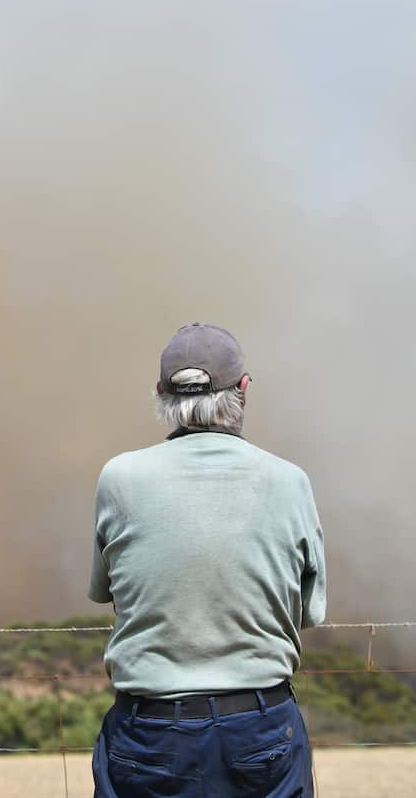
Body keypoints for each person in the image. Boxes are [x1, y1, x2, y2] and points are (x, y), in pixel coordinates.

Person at [88, 323, 327, 797]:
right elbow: (310, 612)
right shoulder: (289, 481)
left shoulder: (118, 477)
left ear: (161, 393)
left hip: (150, 731)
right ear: (243, 389)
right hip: (260, 728)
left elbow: (108, 593)